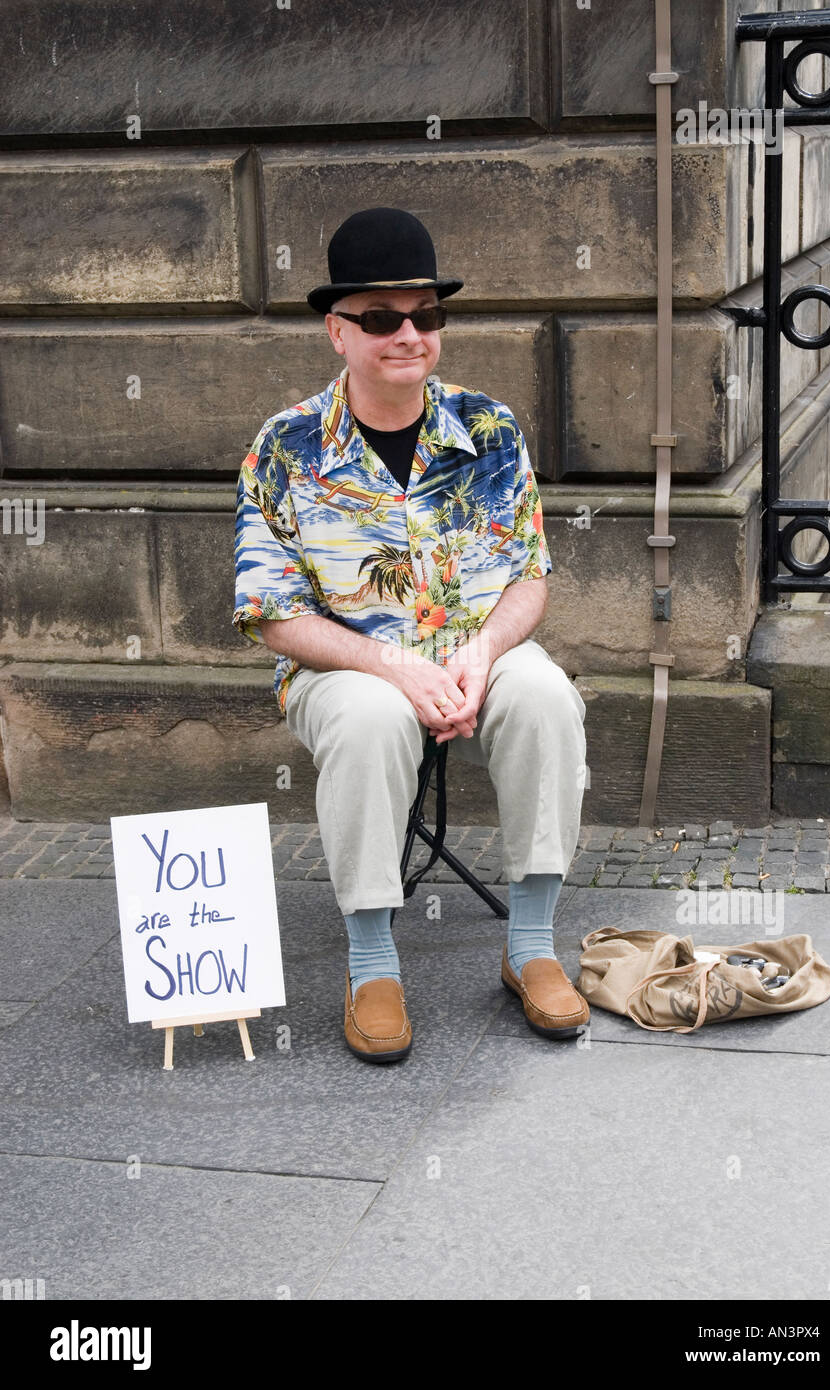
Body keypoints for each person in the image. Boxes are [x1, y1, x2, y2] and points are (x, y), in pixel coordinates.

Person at [233, 206, 589, 1063]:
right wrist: (392, 665)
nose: (409, 335)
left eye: (426, 316)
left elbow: (527, 577)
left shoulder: (492, 429)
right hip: (346, 665)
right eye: (382, 318)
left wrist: (479, 654)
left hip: (473, 652)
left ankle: (532, 947)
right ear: (336, 331)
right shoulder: (284, 448)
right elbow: (273, 613)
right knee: (369, 718)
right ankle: (372, 961)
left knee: (545, 694)